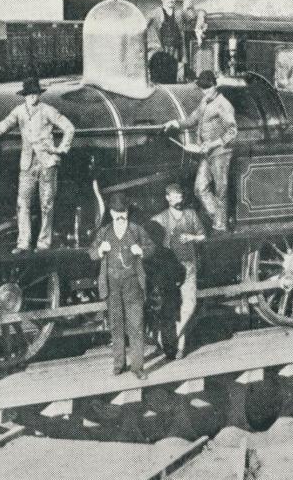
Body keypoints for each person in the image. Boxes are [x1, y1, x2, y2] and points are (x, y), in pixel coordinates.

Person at [0, 76, 75, 253]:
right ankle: (23, 243)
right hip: (27, 165)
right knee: (22, 204)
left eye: (35, 94)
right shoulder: (19, 112)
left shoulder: (47, 110)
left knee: (46, 205)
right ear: (24, 96)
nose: (33, 97)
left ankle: (43, 243)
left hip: (47, 164)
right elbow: (1, 128)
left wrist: (62, 148)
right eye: (30, 94)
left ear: (39, 95)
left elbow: (69, 128)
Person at [90, 194, 155, 379]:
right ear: (111, 213)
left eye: (123, 212)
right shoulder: (104, 232)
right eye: (117, 212)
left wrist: (141, 251)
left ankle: (138, 367)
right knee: (116, 325)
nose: (120, 216)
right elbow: (91, 252)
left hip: (132, 284)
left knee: (136, 325)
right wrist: (100, 250)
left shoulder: (136, 230)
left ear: (127, 212)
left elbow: (152, 247)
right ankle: (119, 364)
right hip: (112, 285)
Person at [164, 70, 237, 232]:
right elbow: (192, 119)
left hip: (221, 154)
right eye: (203, 88)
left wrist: (213, 144)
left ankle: (221, 224)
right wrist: (176, 123)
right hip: (206, 153)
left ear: (215, 85)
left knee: (220, 191)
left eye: (208, 87)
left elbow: (232, 132)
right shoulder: (204, 101)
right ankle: (218, 217)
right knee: (199, 188)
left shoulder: (224, 105)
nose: (205, 91)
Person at [150, 183, 206, 358]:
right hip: (170, 269)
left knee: (190, 305)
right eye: (174, 196)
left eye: (180, 195)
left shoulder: (191, 215)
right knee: (173, 307)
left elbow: (203, 236)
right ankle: (179, 346)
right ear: (167, 198)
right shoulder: (159, 219)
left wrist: (192, 237)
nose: (178, 198)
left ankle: (167, 338)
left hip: (189, 265)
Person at [146, 0, 186, 83]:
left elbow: (195, 13)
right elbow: (141, 25)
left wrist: (201, 16)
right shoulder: (155, 13)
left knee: (173, 82)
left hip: (175, 54)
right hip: (160, 54)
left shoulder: (179, 14)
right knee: (160, 83)